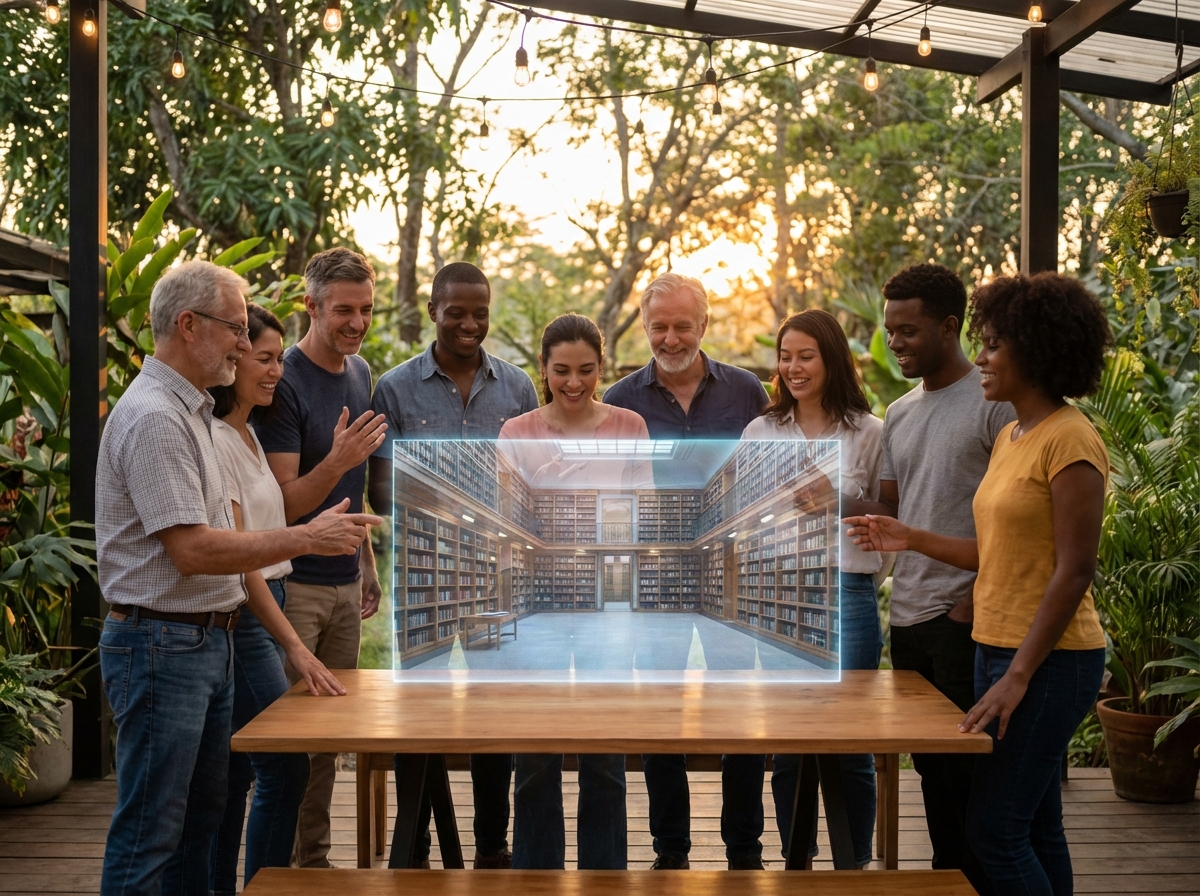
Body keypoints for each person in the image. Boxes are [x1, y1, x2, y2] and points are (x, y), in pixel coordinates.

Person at [96, 261, 379, 894]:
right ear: (188, 325)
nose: (244, 345)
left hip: (203, 639)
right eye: (236, 329)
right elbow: (192, 551)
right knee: (151, 831)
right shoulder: (157, 417)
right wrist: (306, 537)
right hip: (162, 644)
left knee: (200, 819)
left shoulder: (194, 412)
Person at [847, 272, 1111, 896]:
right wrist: (908, 537)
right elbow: (993, 549)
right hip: (996, 648)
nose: (983, 356)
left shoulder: (1071, 439)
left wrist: (1016, 673)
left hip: (1048, 659)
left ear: (1037, 351)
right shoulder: (1018, 435)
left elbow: (1075, 568)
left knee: (993, 830)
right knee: (1035, 825)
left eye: (994, 344)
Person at [368, 261, 539, 869]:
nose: (470, 324)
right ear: (433, 311)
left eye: (480, 313)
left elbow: (532, 481)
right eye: (457, 312)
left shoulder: (518, 388)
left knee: (495, 712)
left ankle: (492, 845)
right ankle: (413, 845)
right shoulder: (394, 389)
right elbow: (380, 486)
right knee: (418, 712)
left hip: (498, 575)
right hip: (425, 576)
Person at [853, 263, 1013, 892]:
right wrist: (819, 499)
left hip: (966, 618)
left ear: (950, 326)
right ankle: (950, 879)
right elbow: (894, 508)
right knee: (932, 776)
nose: (895, 342)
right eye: (890, 330)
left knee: (971, 782)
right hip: (909, 617)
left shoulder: (995, 403)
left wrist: (969, 603)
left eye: (909, 330)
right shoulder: (898, 412)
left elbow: (1015, 518)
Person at [602, 272, 770, 871]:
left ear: (704, 325)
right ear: (645, 328)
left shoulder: (747, 391)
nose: (670, 339)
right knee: (660, 717)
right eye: (659, 327)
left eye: (682, 326)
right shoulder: (620, 400)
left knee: (738, 714)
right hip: (657, 579)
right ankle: (671, 849)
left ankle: (744, 851)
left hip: (733, 575)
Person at [207, 304, 348, 894]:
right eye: (264, 359)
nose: (276, 372)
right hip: (250, 614)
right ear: (233, 360)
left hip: (271, 600)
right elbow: (245, 564)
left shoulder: (249, 433)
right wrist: (294, 645)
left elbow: (276, 518)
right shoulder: (217, 439)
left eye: (278, 360)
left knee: (238, 772)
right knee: (282, 764)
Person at [255, 247, 388, 868]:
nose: (357, 323)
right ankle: (282, 868)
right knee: (294, 743)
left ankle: (314, 862)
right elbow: (281, 505)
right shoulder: (282, 382)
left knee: (332, 736)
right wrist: (336, 461)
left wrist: (366, 561)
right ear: (310, 306)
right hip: (295, 587)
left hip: (344, 581)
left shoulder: (360, 371)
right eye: (343, 311)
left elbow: (350, 491)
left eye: (366, 309)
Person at [500, 313, 646, 871]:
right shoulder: (517, 433)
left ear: (601, 368)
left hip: (608, 610)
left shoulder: (629, 426)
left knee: (605, 756)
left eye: (586, 369)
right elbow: (506, 522)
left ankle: (604, 878)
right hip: (537, 611)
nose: (574, 382)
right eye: (561, 370)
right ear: (543, 368)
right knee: (535, 756)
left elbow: (642, 516)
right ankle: (536, 879)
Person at [742, 309, 883, 870]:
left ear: (832, 359)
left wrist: (834, 502)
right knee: (789, 743)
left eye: (806, 356)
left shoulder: (870, 432)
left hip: (848, 595)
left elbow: (887, 520)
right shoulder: (760, 433)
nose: (793, 367)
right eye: (785, 357)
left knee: (851, 743)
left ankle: (856, 865)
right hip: (779, 597)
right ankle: (796, 862)